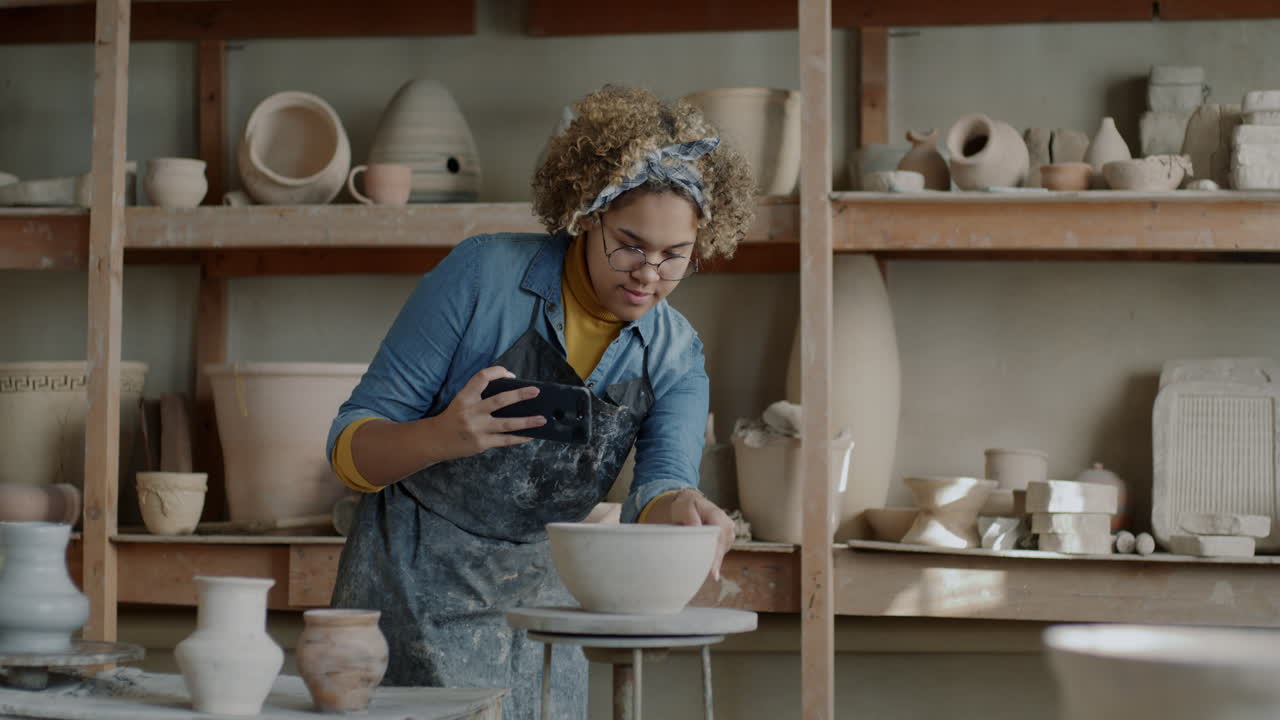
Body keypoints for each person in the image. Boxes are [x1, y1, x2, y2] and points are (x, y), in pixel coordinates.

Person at [325, 84, 756, 720]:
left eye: (674, 257)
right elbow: (346, 444)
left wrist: (687, 507)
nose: (647, 275)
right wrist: (442, 436)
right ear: (585, 214)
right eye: (630, 244)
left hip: (546, 608)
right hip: (408, 585)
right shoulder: (480, 276)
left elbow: (657, 491)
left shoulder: (675, 354)